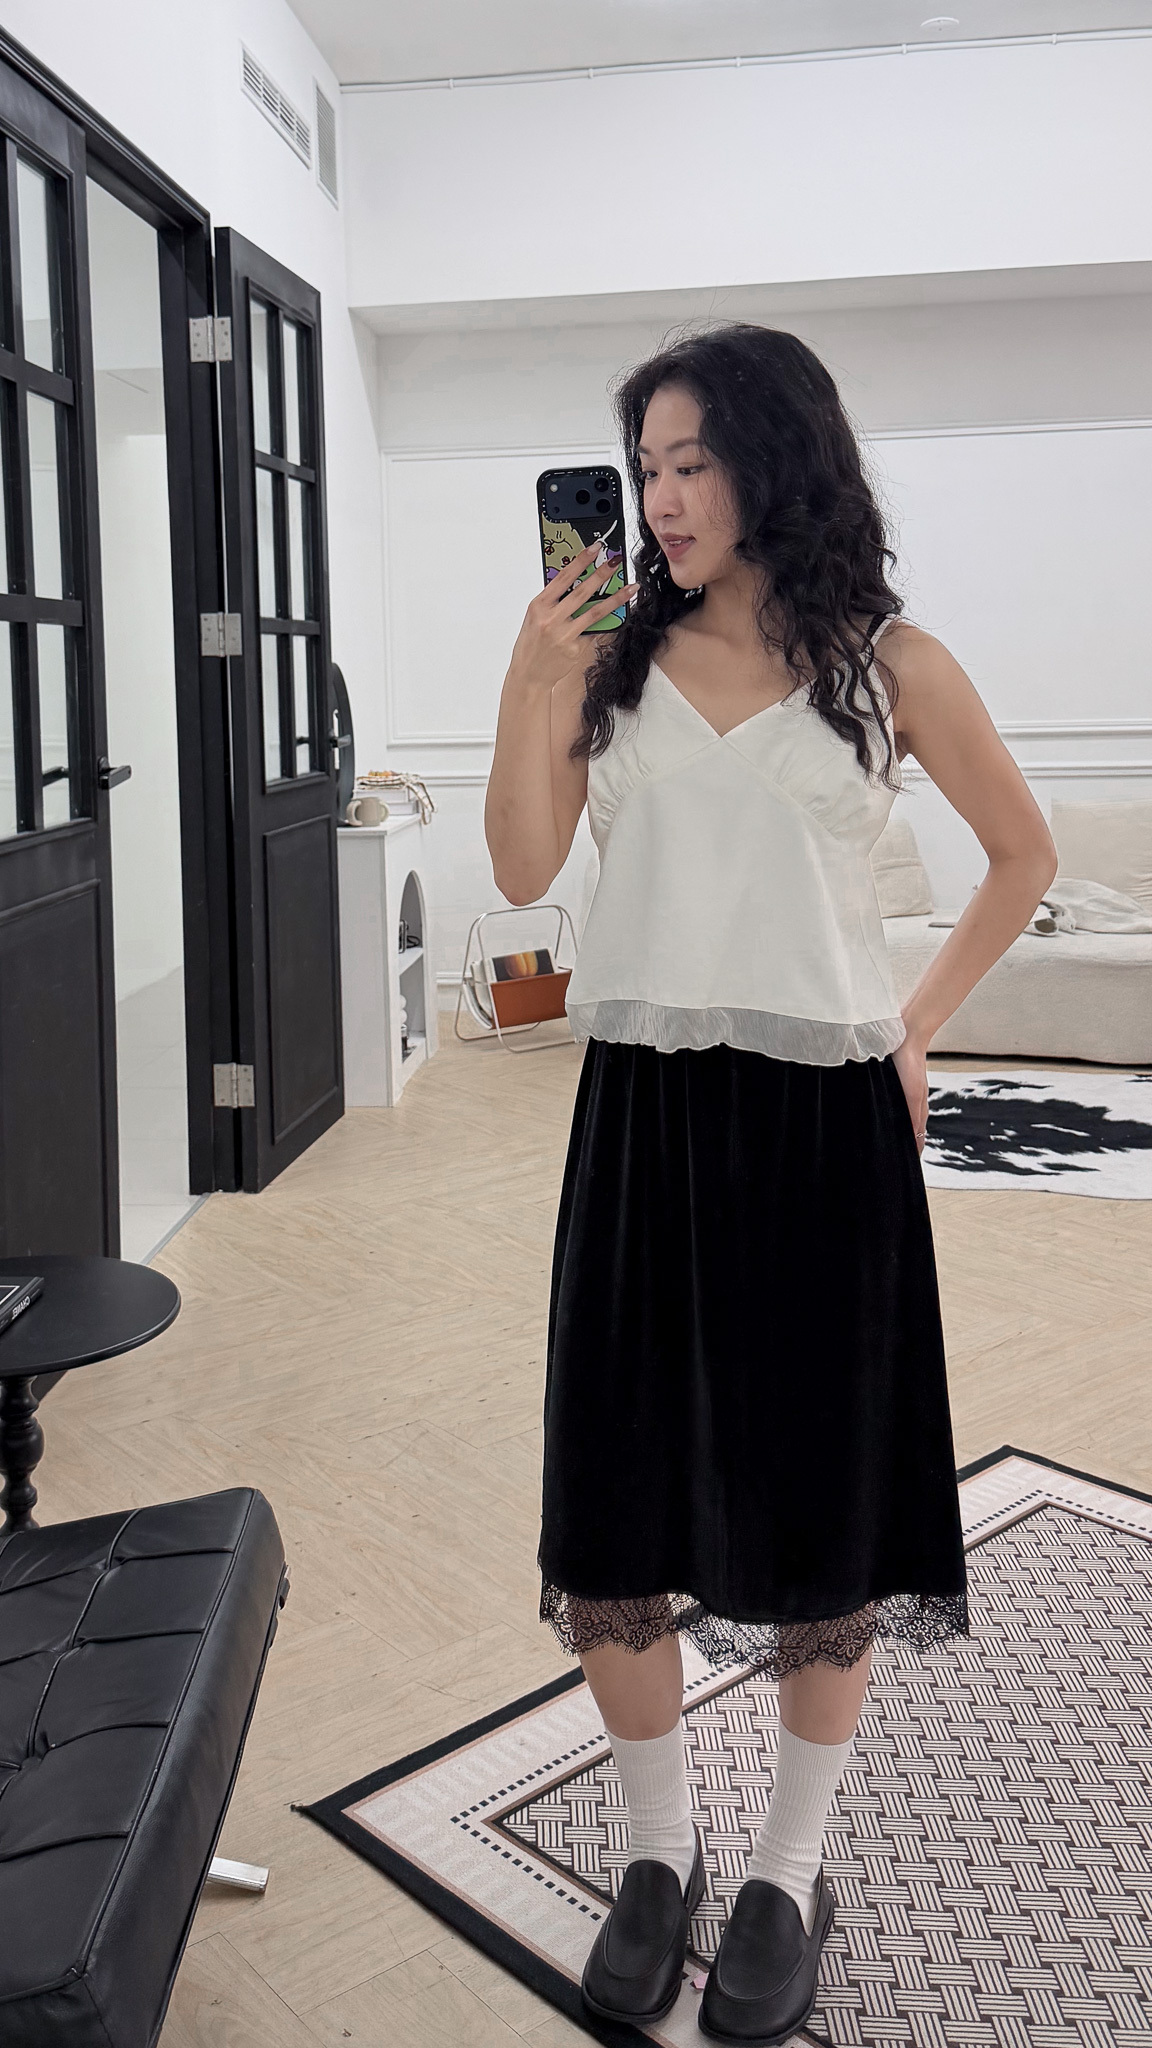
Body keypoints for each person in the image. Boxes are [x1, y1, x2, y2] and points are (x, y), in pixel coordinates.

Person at [484, 325, 1056, 2045]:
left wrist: (913, 1024)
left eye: (693, 463)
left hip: (824, 1132)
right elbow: (521, 865)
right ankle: (657, 1853)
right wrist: (528, 681)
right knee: (613, 1506)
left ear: (775, 460)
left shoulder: (890, 665)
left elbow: (1023, 854)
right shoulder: (607, 662)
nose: (661, 500)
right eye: (644, 469)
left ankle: (787, 1873)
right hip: (642, 1120)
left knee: (824, 1512)